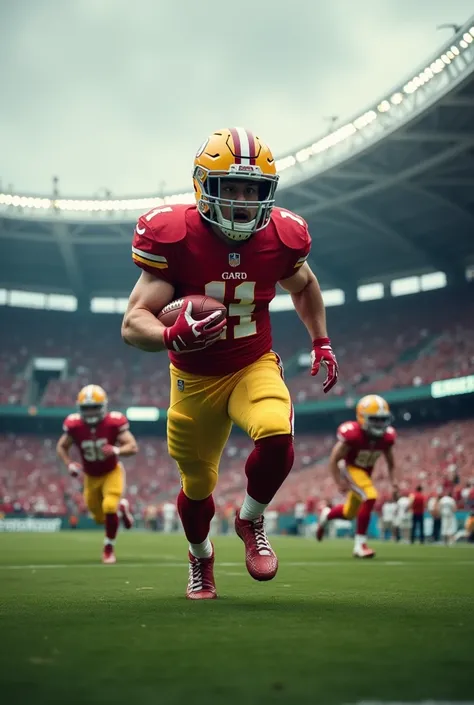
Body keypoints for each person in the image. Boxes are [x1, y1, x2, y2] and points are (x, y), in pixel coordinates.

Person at [122, 127, 339, 599]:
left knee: (277, 434)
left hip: (252, 362)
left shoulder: (282, 236)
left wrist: (320, 340)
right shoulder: (174, 236)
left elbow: (304, 286)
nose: (243, 199)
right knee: (197, 485)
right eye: (232, 187)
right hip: (195, 379)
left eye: (252, 189)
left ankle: (250, 518)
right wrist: (169, 335)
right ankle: (201, 558)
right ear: (204, 186)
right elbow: (132, 323)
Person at [56, 384, 138, 564]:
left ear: (103, 407)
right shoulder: (75, 425)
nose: (91, 412)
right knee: (99, 518)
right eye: (87, 408)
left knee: (109, 506)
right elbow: (62, 446)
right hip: (90, 476)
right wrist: (69, 463)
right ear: (80, 408)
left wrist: (116, 450)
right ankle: (122, 507)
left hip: (111, 472)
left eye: (94, 407)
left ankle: (108, 548)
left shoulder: (113, 422)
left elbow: (132, 446)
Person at [316, 394, 396, 558]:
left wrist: (394, 482)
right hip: (350, 469)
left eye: (382, 419)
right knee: (370, 495)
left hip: (365, 474)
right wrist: (338, 481)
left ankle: (326, 516)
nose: (380, 424)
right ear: (362, 417)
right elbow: (334, 459)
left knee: (349, 513)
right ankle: (360, 545)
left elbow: (391, 463)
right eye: (375, 419)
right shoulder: (353, 435)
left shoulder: (386, 438)